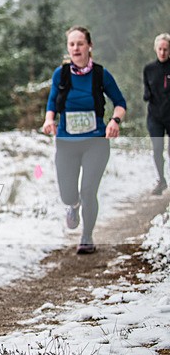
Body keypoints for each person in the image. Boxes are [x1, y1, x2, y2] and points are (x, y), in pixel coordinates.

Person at [42, 26, 127, 254]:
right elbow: (52, 102)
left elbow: (120, 102)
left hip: (95, 142)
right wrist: (49, 120)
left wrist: (114, 121)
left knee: (89, 190)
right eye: (72, 44)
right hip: (67, 144)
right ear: (68, 48)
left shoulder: (101, 74)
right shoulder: (61, 74)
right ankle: (73, 205)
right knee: (68, 193)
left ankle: (87, 236)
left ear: (89, 46)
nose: (76, 48)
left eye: (80, 43)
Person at [143, 33, 170, 195]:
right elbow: (146, 88)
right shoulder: (149, 69)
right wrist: (147, 94)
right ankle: (161, 180)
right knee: (157, 149)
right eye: (160, 49)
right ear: (155, 49)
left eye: (166, 49)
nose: (162, 52)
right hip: (155, 115)